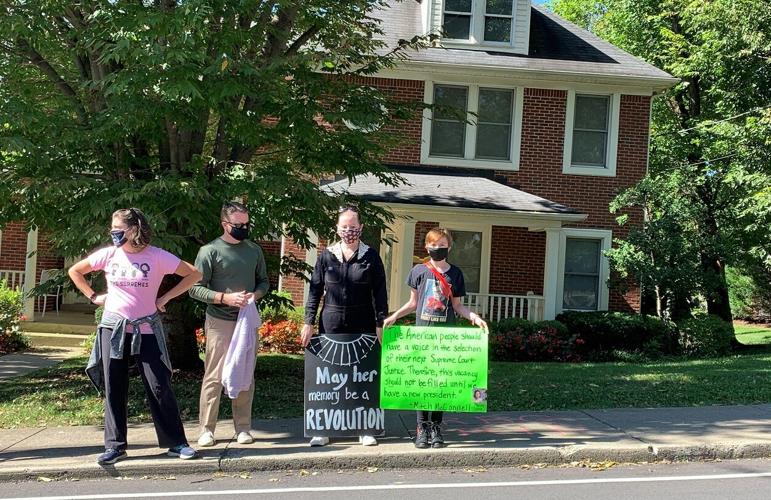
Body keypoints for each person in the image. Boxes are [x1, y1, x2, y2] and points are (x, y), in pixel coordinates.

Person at [69, 208, 202, 465]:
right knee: (114, 386)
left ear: (134, 230)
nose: (114, 234)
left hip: (147, 329)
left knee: (159, 385)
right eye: (112, 230)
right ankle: (115, 446)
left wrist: (165, 297)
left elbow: (194, 274)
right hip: (113, 329)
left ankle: (177, 443)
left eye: (118, 230)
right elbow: (75, 271)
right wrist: (93, 296)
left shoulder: (157, 256)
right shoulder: (109, 254)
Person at [383, 227, 488, 449]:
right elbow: (413, 303)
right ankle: (421, 427)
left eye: (442, 245)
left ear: (449, 247)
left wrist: (475, 318)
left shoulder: (455, 274)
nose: (437, 249)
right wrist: (394, 316)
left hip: (446, 338)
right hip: (422, 335)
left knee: (440, 383)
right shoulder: (418, 271)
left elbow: (458, 306)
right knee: (422, 382)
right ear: (426, 247)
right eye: (433, 245)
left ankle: (436, 427)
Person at [301, 206, 388, 447]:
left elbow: (380, 293)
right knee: (329, 377)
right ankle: (324, 429)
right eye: (344, 227)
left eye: (353, 227)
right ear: (337, 228)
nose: (349, 231)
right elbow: (315, 290)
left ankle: (365, 428)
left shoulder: (371, 256)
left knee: (363, 375)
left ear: (361, 227)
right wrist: (307, 322)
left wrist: (381, 323)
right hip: (331, 323)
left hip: (363, 323)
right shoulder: (326, 256)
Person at [189, 201, 269, 448]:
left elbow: (264, 282)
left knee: (245, 372)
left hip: (246, 320)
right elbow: (194, 288)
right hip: (220, 320)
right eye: (239, 225)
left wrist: (253, 297)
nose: (244, 228)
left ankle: (243, 428)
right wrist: (224, 298)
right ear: (225, 224)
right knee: (214, 375)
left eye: (247, 224)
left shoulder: (254, 250)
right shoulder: (209, 251)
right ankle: (206, 430)